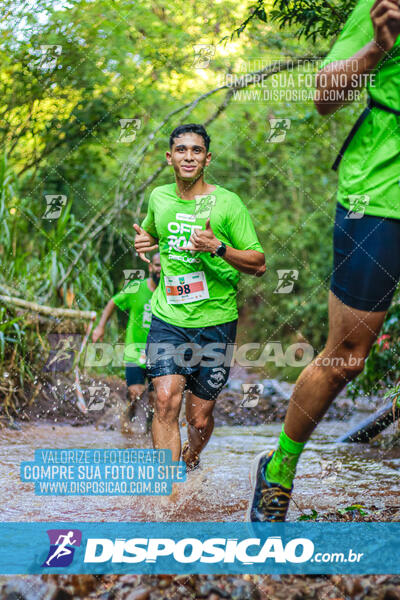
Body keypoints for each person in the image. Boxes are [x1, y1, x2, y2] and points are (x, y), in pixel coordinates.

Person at [248, 0, 400, 521]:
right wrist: (380, 47)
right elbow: (324, 97)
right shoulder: (382, 8)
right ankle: (280, 468)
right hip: (380, 197)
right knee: (346, 358)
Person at [134, 123, 266, 466]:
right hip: (169, 318)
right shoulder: (159, 198)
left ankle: (191, 457)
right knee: (164, 401)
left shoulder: (228, 203)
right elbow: (151, 233)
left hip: (216, 322)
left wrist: (218, 247)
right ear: (169, 157)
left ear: (207, 158)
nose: (188, 156)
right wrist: (144, 242)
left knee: (199, 418)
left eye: (196, 150)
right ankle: (168, 490)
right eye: (181, 150)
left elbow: (259, 263)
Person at [92, 253, 161, 423]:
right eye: (157, 265)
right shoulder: (136, 288)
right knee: (135, 394)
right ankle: (126, 426)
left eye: (164, 266)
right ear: (150, 267)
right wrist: (100, 327)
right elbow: (113, 302)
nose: (160, 270)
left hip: (160, 354)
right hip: (135, 352)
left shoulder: (170, 292)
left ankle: (150, 435)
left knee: (156, 399)